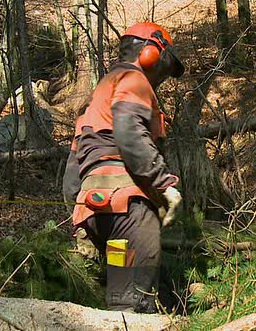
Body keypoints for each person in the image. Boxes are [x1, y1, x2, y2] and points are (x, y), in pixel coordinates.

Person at [62, 22, 184, 313]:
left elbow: (70, 179)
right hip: (129, 214)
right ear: (151, 53)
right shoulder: (133, 79)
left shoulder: (98, 98)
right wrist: (164, 184)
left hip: (102, 215)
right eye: (164, 71)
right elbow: (130, 133)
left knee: (123, 296)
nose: (161, 80)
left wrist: (80, 223)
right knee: (135, 305)